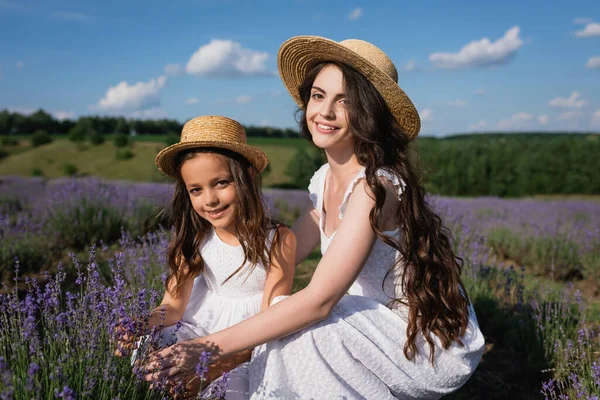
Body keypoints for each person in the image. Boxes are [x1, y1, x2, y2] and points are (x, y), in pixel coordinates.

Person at [144, 36, 485, 399]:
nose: (325, 111)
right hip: (363, 322)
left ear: (370, 114)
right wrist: (214, 245)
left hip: (420, 338)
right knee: (282, 315)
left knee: (299, 321)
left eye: (346, 101)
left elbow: (319, 301)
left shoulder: (375, 188)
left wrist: (210, 350)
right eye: (319, 96)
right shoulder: (323, 182)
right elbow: (277, 253)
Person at [117, 115, 296, 399]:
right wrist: (138, 324)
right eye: (196, 190)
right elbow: (173, 307)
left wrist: (212, 369)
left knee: (232, 392)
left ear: (247, 176)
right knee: (144, 357)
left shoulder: (278, 240)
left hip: (247, 344)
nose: (209, 200)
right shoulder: (196, 237)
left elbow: (269, 323)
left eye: (221, 182)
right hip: (197, 326)